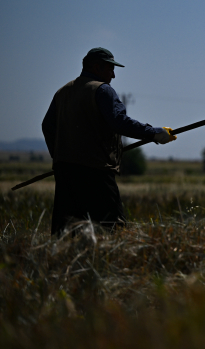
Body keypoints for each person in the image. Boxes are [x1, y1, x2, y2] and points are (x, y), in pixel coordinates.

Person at [42, 47, 176, 235]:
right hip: (96, 174)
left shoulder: (62, 92)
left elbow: (47, 127)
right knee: (112, 229)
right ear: (97, 67)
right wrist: (154, 133)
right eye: (110, 69)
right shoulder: (102, 90)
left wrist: (60, 157)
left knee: (67, 232)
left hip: (65, 174)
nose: (113, 75)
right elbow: (119, 122)